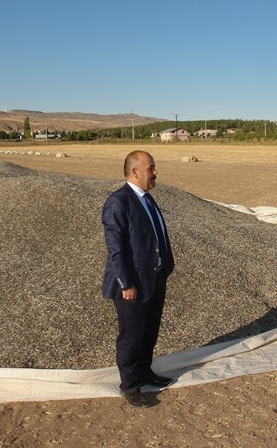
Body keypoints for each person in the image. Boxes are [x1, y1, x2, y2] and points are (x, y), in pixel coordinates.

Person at [101, 150, 175, 408]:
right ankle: (130, 386)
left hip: (154, 278)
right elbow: (116, 248)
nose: (155, 172)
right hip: (132, 284)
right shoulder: (118, 202)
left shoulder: (147, 199)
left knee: (149, 332)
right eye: (151, 168)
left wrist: (165, 267)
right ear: (135, 172)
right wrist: (126, 284)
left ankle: (145, 373)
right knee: (131, 337)